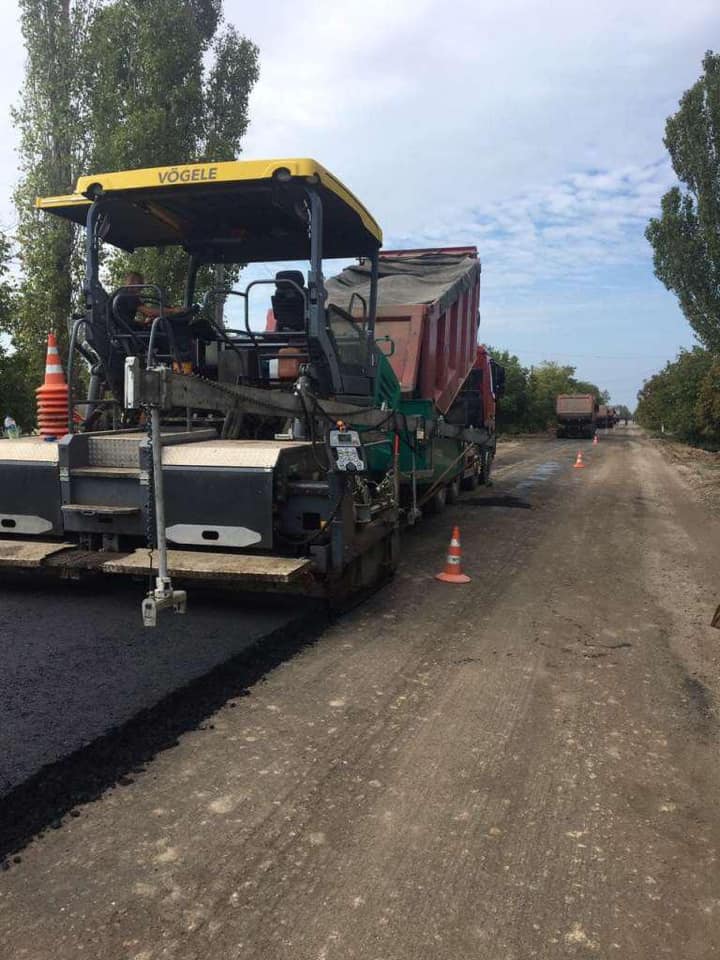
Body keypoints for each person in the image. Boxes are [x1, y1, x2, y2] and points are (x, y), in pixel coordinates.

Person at [115, 271, 193, 373]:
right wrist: (173, 310)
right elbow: (149, 312)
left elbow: (125, 319)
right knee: (168, 335)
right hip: (133, 336)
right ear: (133, 282)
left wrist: (143, 323)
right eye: (140, 285)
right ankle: (180, 369)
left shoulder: (120, 294)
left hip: (126, 332)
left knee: (159, 331)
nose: (141, 289)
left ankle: (167, 364)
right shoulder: (129, 295)